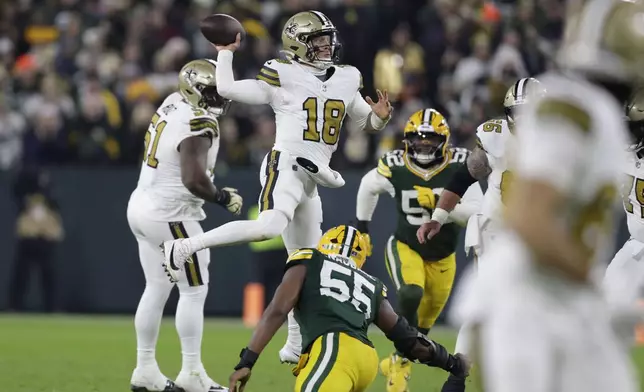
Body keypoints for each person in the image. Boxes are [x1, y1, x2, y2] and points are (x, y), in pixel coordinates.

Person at [162, 10, 393, 364]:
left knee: (306, 261)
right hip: (286, 165)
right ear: (297, 44)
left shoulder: (348, 78)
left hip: (314, 177)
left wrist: (380, 116)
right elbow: (226, 89)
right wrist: (225, 51)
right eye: (317, 39)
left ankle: (294, 342)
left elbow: (364, 122)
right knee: (269, 226)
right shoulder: (282, 72)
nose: (326, 45)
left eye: (327, 38)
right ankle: (186, 246)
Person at [447, 1, 644, 390]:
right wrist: (595, 289)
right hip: (524, 302)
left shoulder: (598, 114)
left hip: (560, 300)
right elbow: (532, 221)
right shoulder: (571, 108)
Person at [413, 78, 545, 392]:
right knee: (486, 304)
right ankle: (457, 378)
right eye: (520, 112)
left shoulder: (558, 141)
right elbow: (464, 176)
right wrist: (438, 217)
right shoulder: (496, 136)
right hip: (496, 230)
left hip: (535, 235)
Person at [227, 225, 470, 392]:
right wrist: (451, 363)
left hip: (333, 349)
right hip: (366, 360)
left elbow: (279, 309)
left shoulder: (310, 258)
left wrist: (247, 361)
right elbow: (408, 338)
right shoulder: (371, 284)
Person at [127, 59, 241, 392]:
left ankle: (145, 369)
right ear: (196, 91)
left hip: (141, 205)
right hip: (171, 213)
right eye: (212, 91)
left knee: (157, 287)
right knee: (193, 290)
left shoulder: (172, 102)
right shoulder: (200, 121)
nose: (219, 98)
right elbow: (192, 179)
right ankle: (191, 374)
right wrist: (221, 197)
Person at [354, 108, 481, 392]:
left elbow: (478, 210)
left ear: (444, 140)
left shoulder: (460, 163)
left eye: (430, 138)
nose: (423, 144)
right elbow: (367, 185)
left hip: (444, 257)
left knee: (422, 330)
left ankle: (398, 358)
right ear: (407, 140)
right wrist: (362, 227)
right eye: (418, 138)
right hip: (405, 246)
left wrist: (442, 204)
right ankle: (400, 366)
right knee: (411, 292)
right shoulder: (396, 164)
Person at [604, 88, 644, 348]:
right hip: (637, 243)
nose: (628, 134)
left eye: (635, 128)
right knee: (605, 300)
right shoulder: (620, 156)